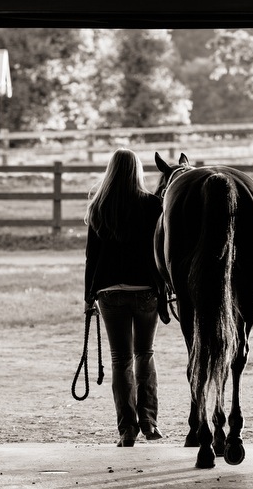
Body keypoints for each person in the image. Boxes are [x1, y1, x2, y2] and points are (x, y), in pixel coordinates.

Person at [84, 148, 166, 447]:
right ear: (137, 171)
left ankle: (126, 430)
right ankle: (149, 421)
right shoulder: (152, 205)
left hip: (109, 292)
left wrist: (88, 296)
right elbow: (161, 251)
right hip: (145, 291)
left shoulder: (99, 206)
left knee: (121, 359)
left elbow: (91, 258)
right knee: (144, 353)